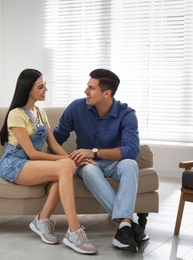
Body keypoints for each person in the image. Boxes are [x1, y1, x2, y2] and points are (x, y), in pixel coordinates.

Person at [0, 68, 98, 255]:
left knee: (66, 166)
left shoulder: (41, 113)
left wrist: (74, 159)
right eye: (41, 86)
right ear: (28, 89)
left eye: (45, 85)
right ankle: (74, 231)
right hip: (15, 164)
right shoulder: (16, 114)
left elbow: (53, 144)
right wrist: (70, 160)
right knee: (66, 165)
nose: (46, 89)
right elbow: (32, 153)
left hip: (32, 165)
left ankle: (42, 220)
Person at [52, 68, 149, 252]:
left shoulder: (127, 114)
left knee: (131, 164)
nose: (85, 91)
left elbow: (131, 150)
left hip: (113, 164)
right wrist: (66, 160)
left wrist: (94, 152)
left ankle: (124, 227)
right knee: (88, 169)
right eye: (87, 86)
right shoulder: (76, 108)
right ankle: (126, 224)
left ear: (107, 93)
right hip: (87, 165)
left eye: (91, 88)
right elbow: (56, 139)